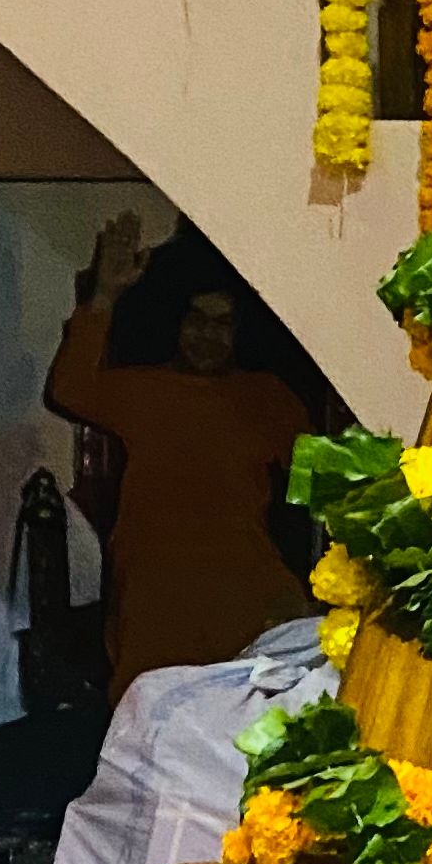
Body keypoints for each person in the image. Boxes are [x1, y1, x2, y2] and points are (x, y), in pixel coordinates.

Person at [44, 220, 314, 700]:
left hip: (245, 584)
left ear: (241, 331)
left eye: (222, 324)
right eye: (196, 319)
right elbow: (68, 389)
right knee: (153, 703)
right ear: (175, 321)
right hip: (157, 587)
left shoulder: (269, 397)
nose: (207, 336)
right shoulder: (143, 388)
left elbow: (319, 487)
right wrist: (105, 295)